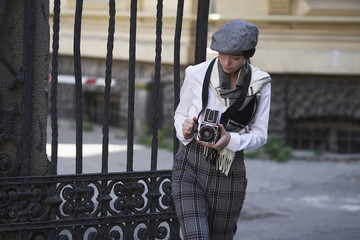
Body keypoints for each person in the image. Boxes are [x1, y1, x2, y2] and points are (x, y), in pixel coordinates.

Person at [172, 19, 271, 240]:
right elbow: (180, 114)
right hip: (190, 164)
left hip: (229, 168)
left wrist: (230, 140)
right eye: (222, 54)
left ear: (247, 55)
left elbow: (260, 134)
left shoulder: (260, 83)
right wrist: (184, 129)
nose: (226, 62)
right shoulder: (196, 73)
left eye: (235, 57)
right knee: (196, 235)